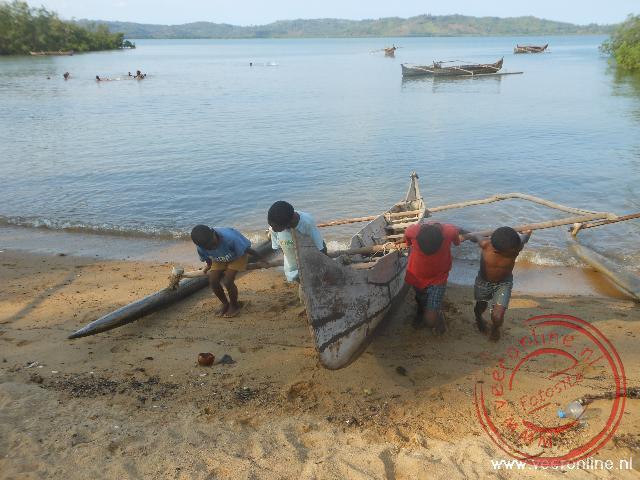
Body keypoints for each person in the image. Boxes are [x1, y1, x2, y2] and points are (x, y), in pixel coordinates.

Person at [404, 222, 468, 335]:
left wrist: (464, 234)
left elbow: (457, 241)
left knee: (430, 320)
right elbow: (407, 241)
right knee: (421, 298)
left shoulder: (449, 231)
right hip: (417, 276)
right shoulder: (412, 231)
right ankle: (421, 310)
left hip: (438, 278)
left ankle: (437, 314)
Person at [472, 227, 532, 341]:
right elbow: (476, 235)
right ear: (496, 250)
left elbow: (524, 238)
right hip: (483, 282)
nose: (515, 251)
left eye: (515, 249)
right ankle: (478, 318)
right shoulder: (485, 244)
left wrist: (528, 232)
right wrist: (467, 235)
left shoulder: (517, 246)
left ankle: (495, 328)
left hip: (504, 283)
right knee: (481, 306)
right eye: (510, 251)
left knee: (497, 316)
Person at [190, 224, 260, 318]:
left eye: (213, 244)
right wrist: (209, 266)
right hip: (219, 257)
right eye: (209, 247)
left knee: (228, 280)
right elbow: (207, 257)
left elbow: (246, 249)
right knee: (213, 280)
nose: (213, 247)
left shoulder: (230, 238)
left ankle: (234, 305)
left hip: (238, 255)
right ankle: (225, 303)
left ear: (213, 233)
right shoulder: (201, 246)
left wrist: (261, 258)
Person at [267, 201, 325, 282]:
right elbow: (280, 247)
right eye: (271, 225)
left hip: (309, 263)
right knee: (296, 280)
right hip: (291, 267)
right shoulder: (275, 225)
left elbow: (320, 248)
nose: (273, 229)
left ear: (288, 224)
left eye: (275, 227)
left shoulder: (306, 223)